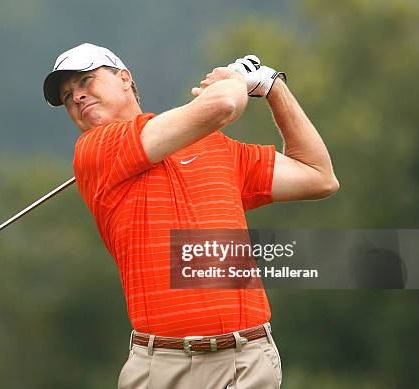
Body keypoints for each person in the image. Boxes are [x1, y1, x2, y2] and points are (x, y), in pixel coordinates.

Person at [43, 43, 338, 388]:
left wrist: (274, 87)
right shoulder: (96, 150)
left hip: (248, 359)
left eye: (85, 81)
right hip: (164, 368)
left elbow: (319, 176)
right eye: (67, 97)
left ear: (124, 79)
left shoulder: (216, 147)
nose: (76, 97)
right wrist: (238, 79)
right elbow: (224, 104)